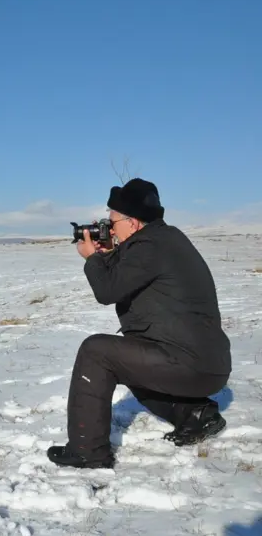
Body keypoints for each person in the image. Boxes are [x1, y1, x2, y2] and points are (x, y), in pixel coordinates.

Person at [47, 178, 232, 469]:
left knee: (96, 351)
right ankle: (194, 415)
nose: (110, 228)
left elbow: (107, 291)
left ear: (132, 223)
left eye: (113, 221)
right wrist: (106, 255)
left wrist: (92, 259)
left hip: (189, 363)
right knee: (129, 359)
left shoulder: (149, 248)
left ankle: (87, 451)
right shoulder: (164, 240)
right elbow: (124, 278)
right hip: (207, 364)